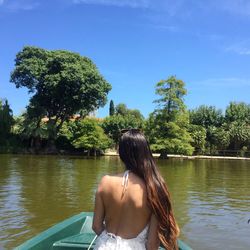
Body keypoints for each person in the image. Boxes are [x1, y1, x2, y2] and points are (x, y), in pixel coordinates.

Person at [92, 129, 179, 250]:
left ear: (121, 153)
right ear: (146, 152)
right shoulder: (154, 188)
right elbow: (151, 244)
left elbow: (96, 226)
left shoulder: (105, 181)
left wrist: (109, 242)